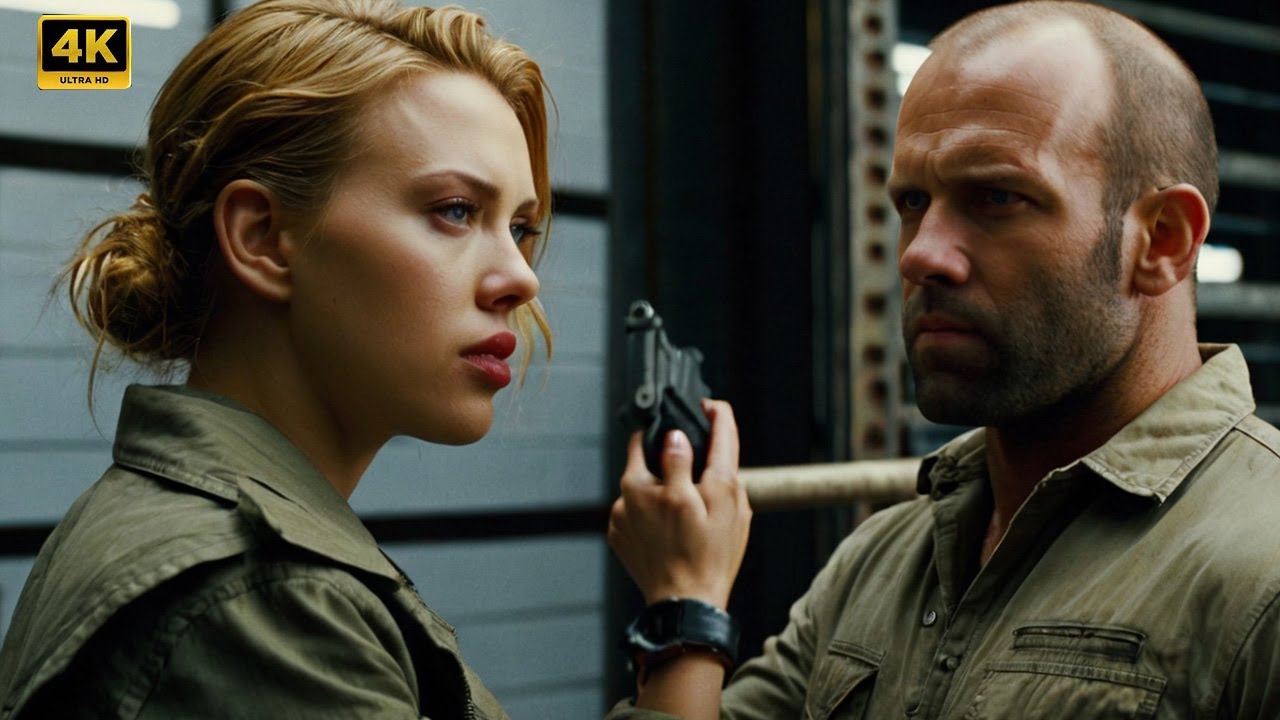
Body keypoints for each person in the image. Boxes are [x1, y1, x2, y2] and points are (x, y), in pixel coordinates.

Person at [0, 1, 745, 717]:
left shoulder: (216, 554)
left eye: (520, 228)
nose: (522, 278)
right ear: (262, 238)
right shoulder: (257, 601)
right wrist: (689, 613)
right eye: (456, 211)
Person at [607, 1, 1280, 718]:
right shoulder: (880, 563)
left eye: (996, 196)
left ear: (1164, 240)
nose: (921, 253)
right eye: (911, 201)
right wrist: (684, 606)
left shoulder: (1262, 570)